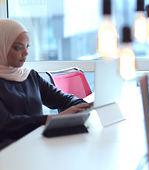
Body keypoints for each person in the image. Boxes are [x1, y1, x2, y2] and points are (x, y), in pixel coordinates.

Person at [0, 19, 92, 150]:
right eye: (18, 47)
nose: (25, 53)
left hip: (36, 146)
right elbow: (6, 123)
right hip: (9, 153)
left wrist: (83, 106)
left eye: (27, 47)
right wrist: (51, 119)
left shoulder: (30, 76)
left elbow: (63, 99)